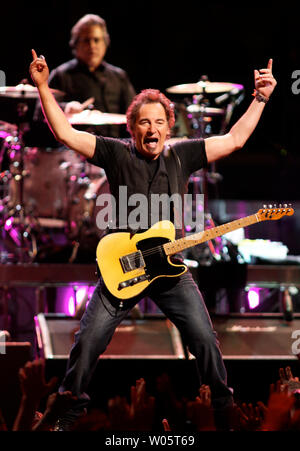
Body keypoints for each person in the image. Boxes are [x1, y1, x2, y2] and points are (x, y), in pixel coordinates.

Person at [29, 50, 277, 430]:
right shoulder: (115, 152)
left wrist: (260, 98)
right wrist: (44, 87)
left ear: (169, 127)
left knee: (205, 342)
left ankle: (222, 415)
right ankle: (65, 416)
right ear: (133, 128)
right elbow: (65, 133)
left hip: (169, 270)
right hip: (123, 269)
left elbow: (235, 140)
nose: (152, 129)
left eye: (159, 122)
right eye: (144, 122)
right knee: (87, 344)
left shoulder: (183, 155)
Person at [33, 13, 136, 139]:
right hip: (74, 149)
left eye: (96, 40)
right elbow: (39, 112)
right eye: (86, 40)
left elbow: (134, 112)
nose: (92, 46)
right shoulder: (62, 74)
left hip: (114, 148)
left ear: (105, 43)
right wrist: (66, 107)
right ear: (75, 44)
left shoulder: (119, 76)